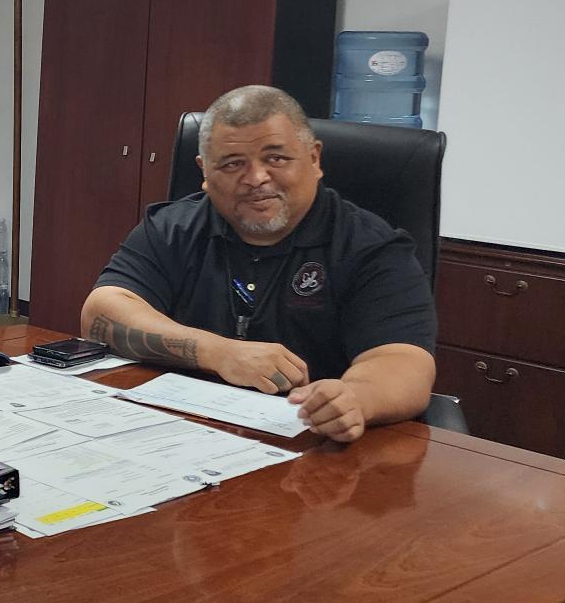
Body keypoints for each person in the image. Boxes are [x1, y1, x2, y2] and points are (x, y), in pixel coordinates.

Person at [79, 84, 436, 445]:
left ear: (314, 159)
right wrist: (217, 352)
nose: (256, 178)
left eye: (276, 158)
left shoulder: (370, 246)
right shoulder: (173, 228)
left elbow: (404, 361)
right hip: (185, 432)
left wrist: (357, 397)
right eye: (233, 164)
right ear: (204, 171)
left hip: (312, 446)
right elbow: (101, 313)